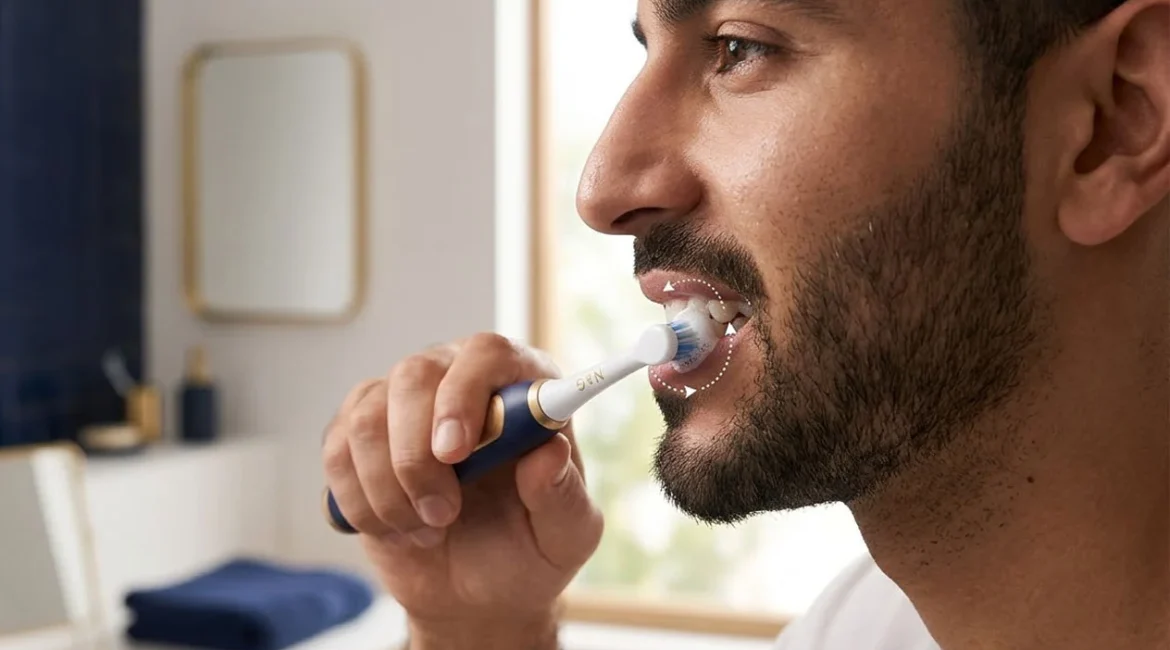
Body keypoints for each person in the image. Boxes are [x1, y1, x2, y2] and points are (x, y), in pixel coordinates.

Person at [321, 0, 1170, 647]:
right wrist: (483, 630)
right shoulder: (856, 626)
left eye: (740, 48)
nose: (604, 189)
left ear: (1111, 123)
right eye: (648, 46)